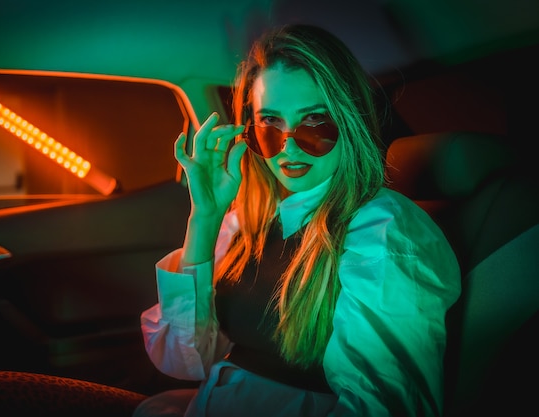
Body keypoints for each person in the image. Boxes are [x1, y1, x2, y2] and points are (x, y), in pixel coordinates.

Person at [132, 24, 461, 417]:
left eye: (314, 124)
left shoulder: (383, 232)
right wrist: (204, 216)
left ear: (350, 121)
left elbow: (382, 407)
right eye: (270, 125)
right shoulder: (250, 218)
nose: (288, 148)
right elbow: (187, 361)